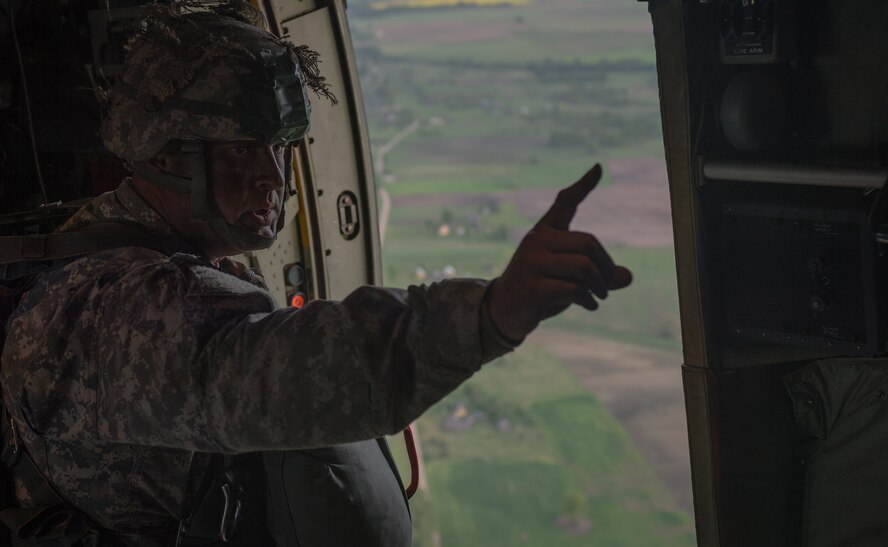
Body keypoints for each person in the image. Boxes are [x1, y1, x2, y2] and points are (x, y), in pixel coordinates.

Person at [0, 2, 632, 545]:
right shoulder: (113, 307)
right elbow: (278, 372)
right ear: (167, 155)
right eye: (243, 149)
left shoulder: (129, 247)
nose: (273, 178)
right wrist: (492, 313)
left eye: (279, 146)